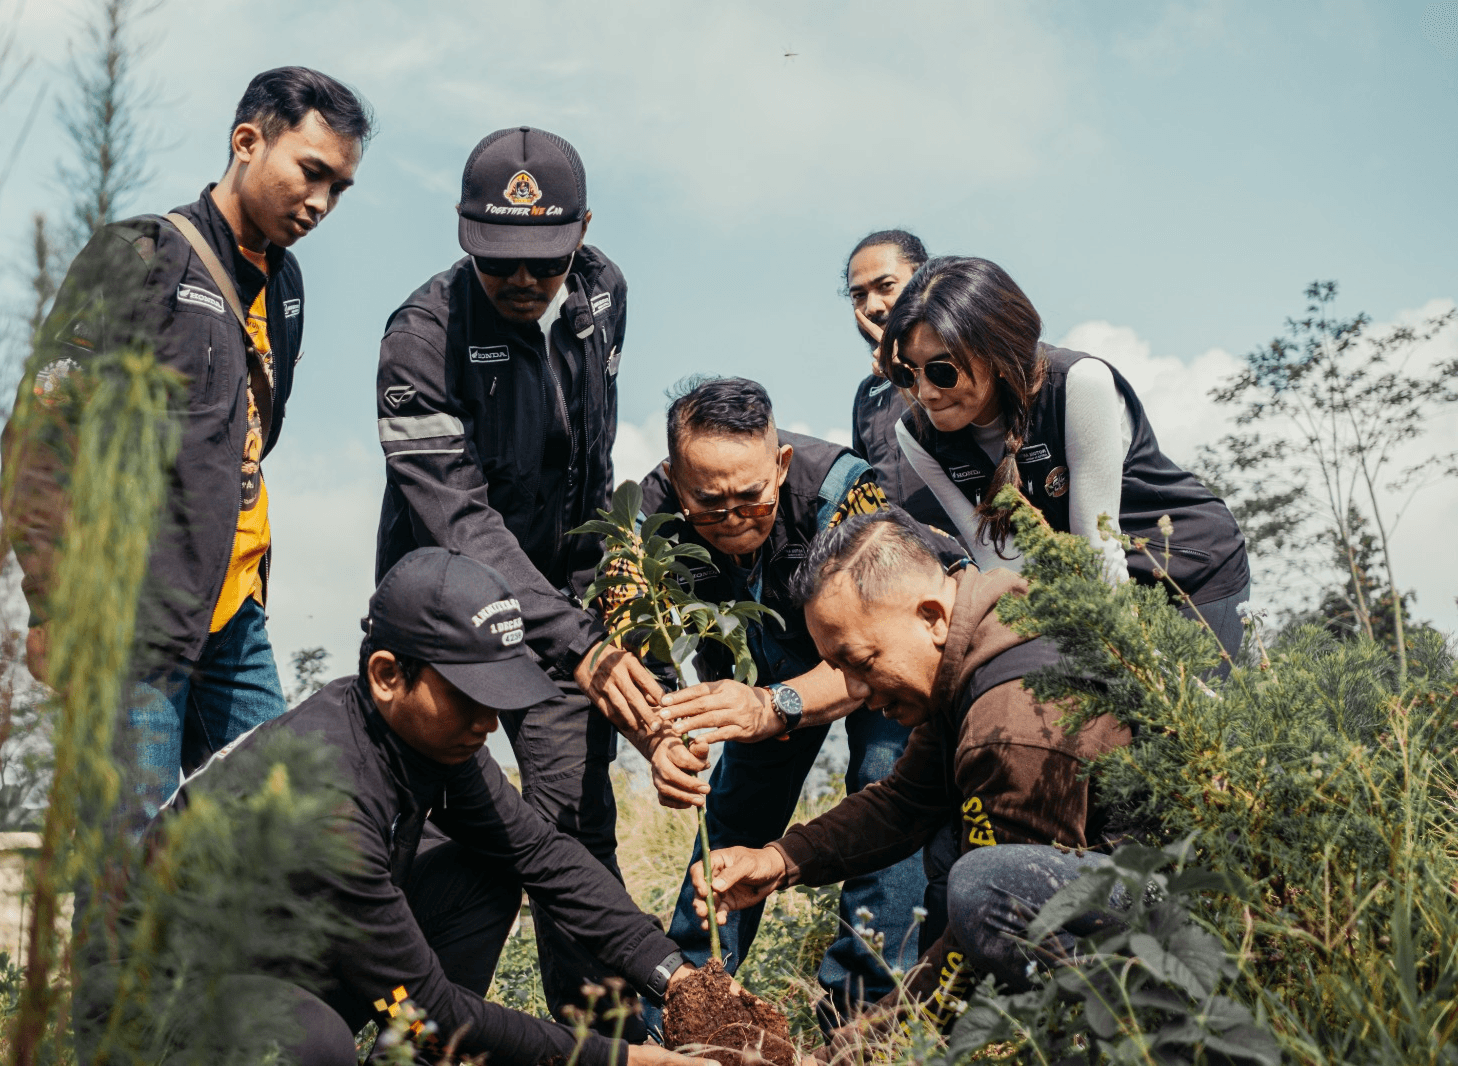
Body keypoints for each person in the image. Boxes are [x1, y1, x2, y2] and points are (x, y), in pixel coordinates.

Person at [101, 549, 719, 1066]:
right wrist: (621, 1058)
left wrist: (679, 977)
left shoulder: (425, 736)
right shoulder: (325, 800)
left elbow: (543, 854)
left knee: (486, 868)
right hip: (168, 1000)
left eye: (500, 697)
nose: (489, 722)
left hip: (290, 945)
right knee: (308, 1044)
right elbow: (428, 1006)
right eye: (471, 697)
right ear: (387, 674)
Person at [2, 67, 372, 830]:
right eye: (311, 173)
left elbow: (244, 445)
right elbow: (39, 438)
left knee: (271, 846)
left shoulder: (289, 284)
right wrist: (50, 602)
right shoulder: (140, 257)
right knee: (125, 870)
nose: (322, 204)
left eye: (339, 188)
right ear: (247, 140)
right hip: (130, 621)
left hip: (235, 617)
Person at [374, 126, 661, 1019]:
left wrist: (613, 583)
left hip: (568, 611)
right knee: (407, 828)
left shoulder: (604, 293)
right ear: (465, 237)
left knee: (575, 827)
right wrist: (579, 644)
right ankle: (407, 1026)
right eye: (500, 263)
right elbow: (458, 517)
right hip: (445, 616)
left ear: (581, 234)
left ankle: (600, 1034)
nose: (524, 283)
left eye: (544, 261)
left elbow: (594, 450)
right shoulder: (420, 342)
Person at [689, 509, 1133, 1040]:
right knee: (963, 858)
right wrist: (779, 860)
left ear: (931, 617)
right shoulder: (978, 640)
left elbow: (1000, 925)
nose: (857, 693)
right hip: (1096, 884)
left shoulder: (1010, 718)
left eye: (861, 662)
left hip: (1179, 908)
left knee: (980, 885)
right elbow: (906, 802)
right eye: (840, 670)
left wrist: (865, 1049)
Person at [610, 377, 971, 1027]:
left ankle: (865, 1010)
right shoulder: (647, 524)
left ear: (780, 464)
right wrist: (661, 739)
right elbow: (635, 655)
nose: (732, 520)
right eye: (708, 503)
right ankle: (683, 1009)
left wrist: (773, 704)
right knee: (730, 823)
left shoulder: (849, 492)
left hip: (867, 664)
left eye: (751, 498)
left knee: (885, 781)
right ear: (673, 475)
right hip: (756, 674)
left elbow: (883, 655)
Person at [876, 256, 1250, 665]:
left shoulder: (1078, 383)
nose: (926, 392)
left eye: (942, 371)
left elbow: (1097, 547)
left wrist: (1134, 664)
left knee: (1189, 719)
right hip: (1093, 588)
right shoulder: (915, 435)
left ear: (995, 353)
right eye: (908, 373)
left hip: (1185, 573)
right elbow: (1000, 559)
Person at [843, 230, 961, 540]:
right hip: (910, 568)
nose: (873, 306)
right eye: (858, 295)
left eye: (885, 287)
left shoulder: (965, 360)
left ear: (924, 280)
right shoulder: (867, 394)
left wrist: (912, 372)